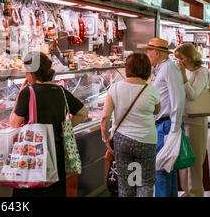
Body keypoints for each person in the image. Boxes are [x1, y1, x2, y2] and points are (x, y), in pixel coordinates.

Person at [9, 51, 88, 197]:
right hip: (57, 158)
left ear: (33, 73)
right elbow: (83, 112)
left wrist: (20, 95)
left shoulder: (28, 92)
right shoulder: (61, 91)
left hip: (34, 158)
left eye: (26, 72)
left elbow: (13, 123)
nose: (25, 76)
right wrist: (65, 128)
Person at [101, 53, 161, 197]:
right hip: (147, 140)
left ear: (127, 68)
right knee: (145, 182)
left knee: (125, 183)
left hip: (122, 141)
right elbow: (157, 110)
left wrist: (105, 139)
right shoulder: (152, 90)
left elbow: (105, 117)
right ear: (147, 70)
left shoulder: (115, 88)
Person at [143, 37, 185, 197]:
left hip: (167, 125)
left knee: (160, 169)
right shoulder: (161, 68)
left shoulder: (168, 68)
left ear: (157, 52)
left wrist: (174, 129)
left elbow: (178, 98)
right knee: (167, 170)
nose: (147, 54)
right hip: (163, 125)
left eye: (149, 50)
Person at [175, 43, 210, 197]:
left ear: (190, 57)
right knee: (184, 158)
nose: (179, 62)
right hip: (183, 120)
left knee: (195, 160)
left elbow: (193, 95)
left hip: (196, 121)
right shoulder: (187, 72)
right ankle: (186, 191)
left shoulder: (201, 72)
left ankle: (195, 192)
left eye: (181, 58)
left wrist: (182, 77)